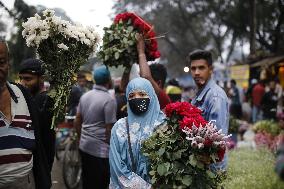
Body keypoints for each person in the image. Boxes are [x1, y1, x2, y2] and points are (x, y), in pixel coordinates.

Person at [0, 40, 51, 188]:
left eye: (1, 62)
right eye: (23, 78)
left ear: (8, 63)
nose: (24, 82)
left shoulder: (22, 94)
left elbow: (42, 142)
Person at [109, 77, 165, 189]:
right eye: (131, 96)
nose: (137, 98)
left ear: (152, 96)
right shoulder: (120, 128)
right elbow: (117, 167)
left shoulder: (164, 125)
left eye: (142, 94)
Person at [74, 65, 117, 189]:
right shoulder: (109, 100)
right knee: (101, 183)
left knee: (87, 179)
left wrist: (80, 138)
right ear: (108, 81)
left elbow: (77, 120)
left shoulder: (85, 96)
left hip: (84, 146)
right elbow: (109, 129)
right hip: (100, 151)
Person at [188, 49, 229, 171]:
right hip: (200, 163)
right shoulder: (199, 93)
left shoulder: (215, 96)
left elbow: (215, 139)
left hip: (212, 165)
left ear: (211, 70)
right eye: (193, 68)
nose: (196, 72)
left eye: (201, 68)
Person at [19, 58, 55, 172]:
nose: (22, 83)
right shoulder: (30, 98)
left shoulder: (44, 100)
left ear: (42, 79)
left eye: (28, 79)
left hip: (38, 167)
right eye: (21, 78)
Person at [136, 35, 170, 110]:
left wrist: (141, 52)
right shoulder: (145, 97)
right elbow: (122, 86)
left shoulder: (162, 97)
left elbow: (146, 76)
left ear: (158, 83)